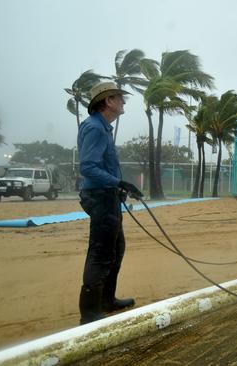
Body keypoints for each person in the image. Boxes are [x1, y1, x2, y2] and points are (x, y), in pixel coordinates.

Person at [77, 81, 143, 324]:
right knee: (101, 253)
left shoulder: (101, 127)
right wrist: (118, 182)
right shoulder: (95, 128)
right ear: (108, 101)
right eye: (120, 98)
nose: (123, 102)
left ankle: (106, 300)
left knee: (116, 249)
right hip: (101, 197)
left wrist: (119, 185)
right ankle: (89, 312)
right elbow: (88, 167)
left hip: (108, 196)